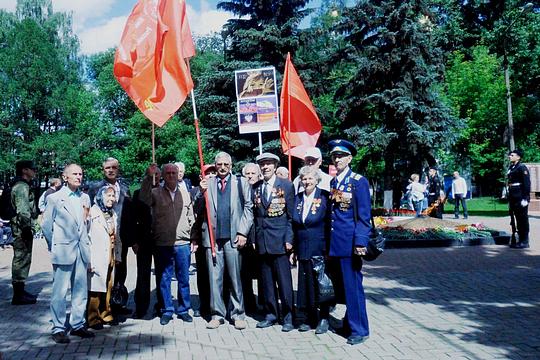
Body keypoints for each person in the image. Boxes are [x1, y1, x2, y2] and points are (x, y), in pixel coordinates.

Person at [195, 152, 253, 330]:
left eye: (225, 164)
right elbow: (197, 209)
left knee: (235, 278)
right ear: (215, 165)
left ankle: (238, 313)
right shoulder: (208, 183)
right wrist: (200, 192)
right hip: (212, 239)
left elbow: (249, 208)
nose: (222, 167)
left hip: (233, 237)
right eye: (219, 164)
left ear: (231, 165)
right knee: (215, 278)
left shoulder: (240, 182)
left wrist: (243, 232)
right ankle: (217, 314)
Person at [42, 164, 94, 344]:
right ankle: (58, 327)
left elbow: (86, 226)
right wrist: (55, 246)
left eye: (81, 173)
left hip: (81, 250)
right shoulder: (55, 198)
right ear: (65, 177)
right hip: (63, 250)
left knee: (80, 290)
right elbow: (46, 227)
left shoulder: (85, 197)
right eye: (75, 174)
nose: (79, 177)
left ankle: (78, 324)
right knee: (60, 291)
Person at [140, 163, 197, 325]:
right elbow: (143, 199)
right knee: (164, 279)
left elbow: (191, 217)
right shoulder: (155, 193)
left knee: (183, 278)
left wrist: (194, 237)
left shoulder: (185, 194)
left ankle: (184, 309)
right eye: (168, 173)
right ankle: (167, 310)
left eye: (174, 172)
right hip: (162, 243)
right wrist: (148, 177)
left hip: (182, 243)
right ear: (163, 176)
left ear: (178, 174)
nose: (171, 175)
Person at [327, 139, 371, 345]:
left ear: (350, 158)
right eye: (335, 156)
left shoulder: (358, 181)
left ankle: (359, 329)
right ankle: (348, 322)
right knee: (343, 288)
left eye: (341, 156)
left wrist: (360, 241)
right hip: (336, 244)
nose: (337, 159)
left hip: (350, 244)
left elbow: (363, 216)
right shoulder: (334, 182)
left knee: (353, 288)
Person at [252, 152, 295, 332]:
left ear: (275, 166)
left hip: (280, 242)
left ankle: (288, 317)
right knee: (267, 282)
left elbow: (292, 217)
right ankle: (271, 314)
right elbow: (254, 216)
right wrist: (254, 238)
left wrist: (289, 239)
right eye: (262, 164)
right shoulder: (256, 187)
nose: (265, 167)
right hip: (262, 241)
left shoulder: (286, 185)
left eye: (268, 164)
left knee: (284, 283)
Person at [88, 157, 133, 315]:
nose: (111, 170)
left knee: (121, 269)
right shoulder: (95, 188)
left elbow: (130, 212)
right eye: (108, 167)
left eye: (114, 167)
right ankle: (101, 307)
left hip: (122, 236)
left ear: (118, 168)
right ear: (103, 169)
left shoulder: (125, 187)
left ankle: (118, 302)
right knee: (103, 271)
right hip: (102, 237)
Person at [292, 166, 331, 334]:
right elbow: (294, 224)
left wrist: (329, 249)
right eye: (304, 178)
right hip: (302, 248)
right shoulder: (297, 198)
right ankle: (307, 318)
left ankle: (324, 318)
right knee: (305, 284)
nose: (306, 181)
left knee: (320, 284)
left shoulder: (324, 197)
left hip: (319, 248)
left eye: (310, 178)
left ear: (317, 180)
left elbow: (330, 223)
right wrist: (293, 248)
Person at [87, 185, 121, 330]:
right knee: (95, 289)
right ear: (101, 196)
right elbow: (86, 238)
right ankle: (92, 318)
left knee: (108, 285)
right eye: (108, 196)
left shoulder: (113, 213)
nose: (111, 199)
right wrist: (88, 260)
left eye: (113, 196)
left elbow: (117, 236)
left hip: (110, 254)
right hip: (96, 255)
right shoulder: (92, 212)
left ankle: (106, 314)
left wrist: (117, 255)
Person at [132, 167, 161, 319]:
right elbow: (133, 219)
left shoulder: (164, 192)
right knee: (142, 274)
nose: (154, 177)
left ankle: (161, 306)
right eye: (151, 175)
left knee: (162, 275)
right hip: (143, 240)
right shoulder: (138, 194)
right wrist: (134, 241)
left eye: (157, 174)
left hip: (161, 239)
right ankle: (141, 307)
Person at [10, 160, 39, 305]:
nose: (35, 171)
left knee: (24, 258)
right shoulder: (21, 187)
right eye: (32, 169)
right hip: (22, 229)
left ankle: (20, 291)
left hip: (22, 228)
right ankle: (18, 294)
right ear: (25, 170)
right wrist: (27, 228)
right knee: (21, 259)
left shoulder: (23, 185)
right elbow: (23, 211)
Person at [192, 163, 217, 318]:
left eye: (213, 173)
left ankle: (221, 303)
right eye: (208, 173)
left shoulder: (222, 189)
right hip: (203, 238)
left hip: (219, 237)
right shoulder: (196, 191)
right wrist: (202, 192)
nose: (211, 176)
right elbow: (196, 212)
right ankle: (205, 305)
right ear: (202, 177)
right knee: (203, 273)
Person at [240, 162, 264, 313]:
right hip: (245, 238)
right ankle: (249, 304)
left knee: (263, 274)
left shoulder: (262, 189)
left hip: (261, 237)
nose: (249, 176)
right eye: (247, 174)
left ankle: (264, 303)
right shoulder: (240, 190)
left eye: (252, 173)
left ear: (259, 175)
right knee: (245, 274)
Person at [507, 149, 531, 249]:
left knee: (522, 219)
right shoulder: (512, 167)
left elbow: (526, 183)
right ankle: (519, 239)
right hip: (513, 196)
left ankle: (524, 241)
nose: (509, 156)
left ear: (518, 157)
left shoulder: (522, 167)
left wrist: (525, 198)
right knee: (516, 218)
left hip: (520, 196)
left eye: (512, 155)